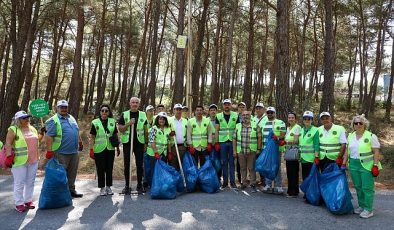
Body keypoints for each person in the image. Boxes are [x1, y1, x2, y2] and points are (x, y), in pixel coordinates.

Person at [343, 115, 382, 219]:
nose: (358, 125)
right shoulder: (350, 136)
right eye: (356, 123)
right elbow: (347, 151)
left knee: (367, 188)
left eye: (361, 123)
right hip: (353, 165)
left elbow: (376, 151)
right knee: (358, 187)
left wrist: (375, 165)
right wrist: (343, 162)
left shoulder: (371, 136)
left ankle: (368, 209)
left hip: (367, 166)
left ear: (365, 124)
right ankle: (361, 206)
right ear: (353, 125)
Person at [4, 111, 42, 212]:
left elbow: (37, 141)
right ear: (18, 120)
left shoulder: (32, 128)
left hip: (33, 160)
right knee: (19, 183)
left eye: (28, 117)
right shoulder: (13, 129)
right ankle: (19, 203)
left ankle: (28, 200)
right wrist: (8, 156)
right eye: (24, 118)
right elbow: (8, 143)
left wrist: (42, 133)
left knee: (30, 182)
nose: (27, 119)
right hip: (19, 161)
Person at [45, 100, 84, 198]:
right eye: (61, 107)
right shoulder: (53, 120)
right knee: (61, 174)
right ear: (57, 108)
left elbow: (76, 130)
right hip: (60, 152)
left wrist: (80, 142)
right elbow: (49, 136)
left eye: (65, 107)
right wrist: (49, 151)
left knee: (72, 173)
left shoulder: (71, 118)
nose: (63, 109)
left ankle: (71, 190)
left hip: (74, 151)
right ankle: (61, 194)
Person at [117, 97, 148, 194]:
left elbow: (146, 130)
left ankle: (139, 185)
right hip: (127, 143)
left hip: (139, 143)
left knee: (140, 164)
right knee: (127, 164)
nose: (135, 104)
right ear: (130, 103)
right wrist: (128, 124)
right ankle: (127, 185)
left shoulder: (143, 114)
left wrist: (146, 143)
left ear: (139, 104)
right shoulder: (125, 114)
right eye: (133, 102)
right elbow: (120, 129)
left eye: (136, 103)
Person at [89, 105, 120, 196]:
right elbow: (92, 137)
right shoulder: (95, 122)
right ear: (100, 112)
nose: (104, 112)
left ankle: (109, 187)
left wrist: (117, 147)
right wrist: (91, 149)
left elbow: (115, 135)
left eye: (106, 111)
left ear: (109, 112)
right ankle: (102, 188)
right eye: (102, 110)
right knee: (100, 169)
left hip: (110, 149)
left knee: (109, 168)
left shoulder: (112, 122)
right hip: (99, 149)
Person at [232, 111, 261, 192]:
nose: (245, 116)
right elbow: (234, 138)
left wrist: (258, 149)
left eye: (247, 115)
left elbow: (259, 137)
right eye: (243, 115)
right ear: (241, 116)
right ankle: (244, 183)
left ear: (250, 116)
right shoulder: (238, 126)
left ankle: (252, 184)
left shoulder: (255, 125)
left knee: (251, 168)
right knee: (242, 168)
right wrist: (234, 150)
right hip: (241, 151)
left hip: (252, 150)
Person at [260, 107, 286, 193]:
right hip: (266, 148)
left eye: (271, 112)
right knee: (268, 166)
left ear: (275, 113)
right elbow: (260, 134)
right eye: (268, 112)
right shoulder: (263, 122)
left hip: (276, 148)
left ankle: (278, 186)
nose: (270, 114)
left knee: (276, 166)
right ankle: (268, 185)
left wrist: (277, 137)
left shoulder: (280, 122)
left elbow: (283, 134)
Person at [215, 99, 239, 189]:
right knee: (224, 162)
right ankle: (225, 182)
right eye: (225, 104)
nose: (227, 106)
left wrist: (237, 143)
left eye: (228, 104)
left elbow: (238, 130)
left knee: (232, 163)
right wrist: (216, 142)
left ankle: (232, 182)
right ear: (223, 106)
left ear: (231, 105)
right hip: (222, 142)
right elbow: (217, 130)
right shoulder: (218, 116)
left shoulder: (235, 115)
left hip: (233, 142)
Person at [146, 112, 171, 184]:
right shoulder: (154, 129)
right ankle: (152, 184)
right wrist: (156, 152)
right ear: (157, 120)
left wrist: (169, 152)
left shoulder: (168, 129)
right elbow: (152, 141)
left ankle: (160, 184)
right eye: (160, 119)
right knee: (154, 169)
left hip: (164, 153)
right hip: (154, 153)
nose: (162, 121)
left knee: (162, 169)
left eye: (163, 119)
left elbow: (168, 141)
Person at [284, 112, 301, 197]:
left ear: (295, 119)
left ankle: (294, 192)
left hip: (293, 152)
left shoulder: (297, 127)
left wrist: (285, 142)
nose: (290, 119)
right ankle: (291, 190)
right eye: (289, 117)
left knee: (293, 172)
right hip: (288, 152)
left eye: (292, 117)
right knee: (289, 172)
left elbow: (296, 141)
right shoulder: (288, 128)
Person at [299, 111, 319, 181]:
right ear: (303, 120)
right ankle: (306, 192)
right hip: (303, 158)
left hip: (311, 159)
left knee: (311, 178)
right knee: (305, 177)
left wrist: (316, 157)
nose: (307, 120)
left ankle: (312, 192)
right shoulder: (301, 130)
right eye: (305, 119)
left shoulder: (315, 130)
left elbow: (316, 145)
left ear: (312, 120)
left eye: (309, 119)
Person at [168, 103, 188, 170]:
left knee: (182, 165)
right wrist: (169, 133)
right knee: (173, 165)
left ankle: (182, 179)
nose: (178, 111)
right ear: (174, 110)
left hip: (183, 147)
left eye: (180, 110)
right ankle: (174, 180)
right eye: (177, 109)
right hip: (173, 146)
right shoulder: (169, 120)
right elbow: (165, 131)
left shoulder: (186, 121)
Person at [253, 102, 267, 186]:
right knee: (255, 164)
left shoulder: (266, 118)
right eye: (257, 108)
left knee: (263, 163)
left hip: (264, 145)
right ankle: (254, 181)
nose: (258, 110)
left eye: (260, 108)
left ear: (263, 109)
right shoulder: (253, 118)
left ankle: (264, 181)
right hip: (254, 145)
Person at [208, 104, 221, 179]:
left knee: (218, 162)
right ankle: (211, 177)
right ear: (209, 112)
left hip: (217, 144)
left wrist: (217, 142)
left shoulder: (219, 120)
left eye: (214, 110)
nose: (213, 111)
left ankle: (218, 178)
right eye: (211, 110)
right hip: (209, 144)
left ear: (216, 111)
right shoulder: (206, 120)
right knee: (210, 161)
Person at [236, 102, 246, 184]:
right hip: (238, 143)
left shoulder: (250, 117)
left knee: (249, 164)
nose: (241, 108)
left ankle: (247, 179)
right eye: (240, 107)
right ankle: (240, 180)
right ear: (238, 108)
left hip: (248, 143)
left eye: (243, 107)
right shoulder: (234, 117)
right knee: (239, 163)